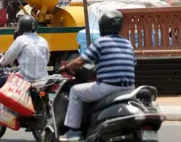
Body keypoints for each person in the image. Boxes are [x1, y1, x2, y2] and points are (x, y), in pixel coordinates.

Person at [58, 10, 136, 142]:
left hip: (108, 87)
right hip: (129, 88)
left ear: (103, 26)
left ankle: (73, 132)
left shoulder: (101, 42)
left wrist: (66, 67)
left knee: (75, 91)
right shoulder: (127, 43)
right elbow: (133, 63)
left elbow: (81, 61)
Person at [0, 15, 50, 93]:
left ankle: (3, 105)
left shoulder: (21, 40)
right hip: (43, 80)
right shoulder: (43, 41)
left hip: (25, 80)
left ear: (22, 27)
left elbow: (7, 58)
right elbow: (46, 60)